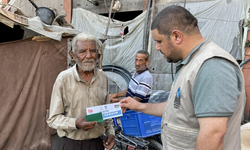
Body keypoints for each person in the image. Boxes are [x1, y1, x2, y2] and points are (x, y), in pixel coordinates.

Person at [119, 5, 245, 150]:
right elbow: (178, 108)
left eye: (159, 41)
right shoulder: (190, 64)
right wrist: (139, 106)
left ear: (176, 36)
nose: (157, 48)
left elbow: (213, 134)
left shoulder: (211, 66)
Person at [47, 33, 115, 150]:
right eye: (82, 51)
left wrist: (111, 133)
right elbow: (53, 119)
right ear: (73, 55)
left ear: (98, 53)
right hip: (72, 144)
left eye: (92, 51)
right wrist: (76, 123)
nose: (88, 56)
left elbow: (106, 111)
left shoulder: (103, 77)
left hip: (97, 143)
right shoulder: (63, 79)